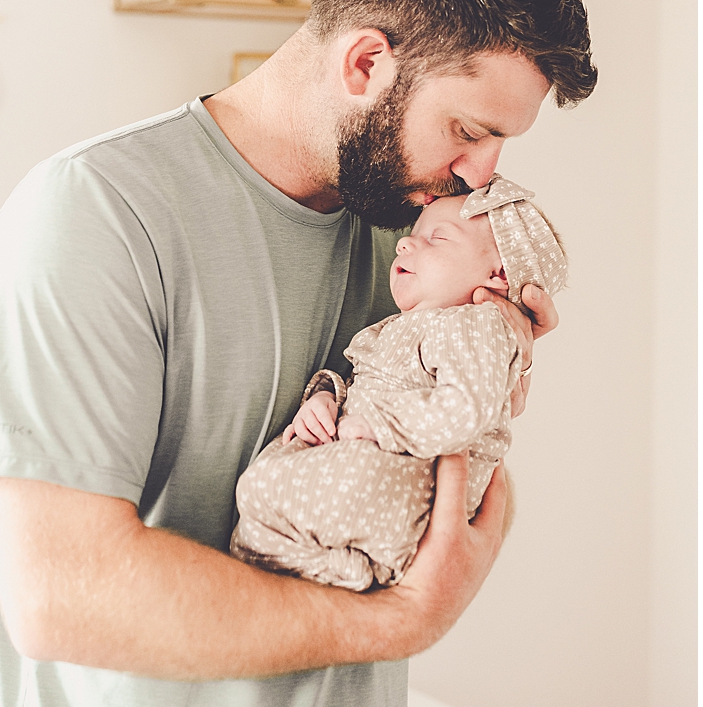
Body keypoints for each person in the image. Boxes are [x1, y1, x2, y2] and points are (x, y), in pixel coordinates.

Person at [0, 0, 596, 707]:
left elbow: (447, 516)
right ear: (367, 62)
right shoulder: (93, 215)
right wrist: (401, 623)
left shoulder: (422, 245)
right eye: (470, 132)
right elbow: (61, 596)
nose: (482, 176)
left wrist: (499, 367)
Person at [230, 177, 568, 591]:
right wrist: (324, 397)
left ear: (498, 273)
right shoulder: (398, 328)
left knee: (262, 491)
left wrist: (379, 426)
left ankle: (356, 565)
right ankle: (348, 568)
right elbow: (364, 386)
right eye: (411, 235)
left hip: (407, 487)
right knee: (256, 496)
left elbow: (465, 409)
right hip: (373, 473)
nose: (405, 245)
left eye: (437, 238)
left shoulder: (478, 324)